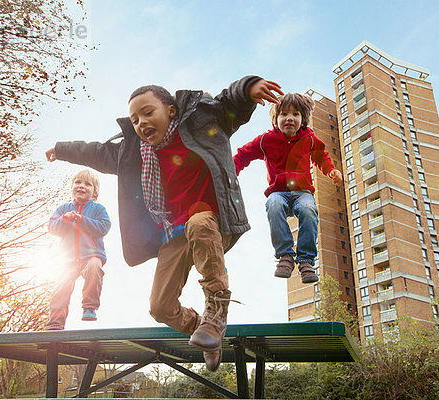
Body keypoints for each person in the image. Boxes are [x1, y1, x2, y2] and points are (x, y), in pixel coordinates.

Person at [45, 76, 282, 371]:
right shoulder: (133, 152)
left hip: (213, 220)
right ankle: (205, 329)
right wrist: (62, 148)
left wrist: (247, 89)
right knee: (159, 307)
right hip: (174, 233)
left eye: (148, 112)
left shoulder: (201, 120)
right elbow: (96, 152)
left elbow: (229, 104)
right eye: (134, 119)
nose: (141, 122)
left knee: (199, 222)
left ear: (170, 111)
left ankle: (216, 312)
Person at [233, 93, 342, 284]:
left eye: (296, 114)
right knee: (273, 204)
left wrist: (331, 170)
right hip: (279, 192)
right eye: (284, 114)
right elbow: (243, 154)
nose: (289, 118)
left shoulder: (309, 139)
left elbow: (321, 156)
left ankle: (306, 260)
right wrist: (231, 172)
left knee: (309, 211)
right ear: (276, 119)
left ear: (303, 120)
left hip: (302, 193)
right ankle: (285, 256)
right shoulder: (266, 140)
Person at [46, 169, 111, 330]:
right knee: (61, 288)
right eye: (78, 182)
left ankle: (89, 307)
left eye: (87, 184)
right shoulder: (63, 209)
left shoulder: (98, 209)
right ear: (72, 187)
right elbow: (52, 228)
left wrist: (82, 220)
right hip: (67, 259)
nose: (82, 186)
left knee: (95, 268)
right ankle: (55, 324)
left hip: (91, 255)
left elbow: (104, 227)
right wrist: (65, 219)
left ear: (94, 192)